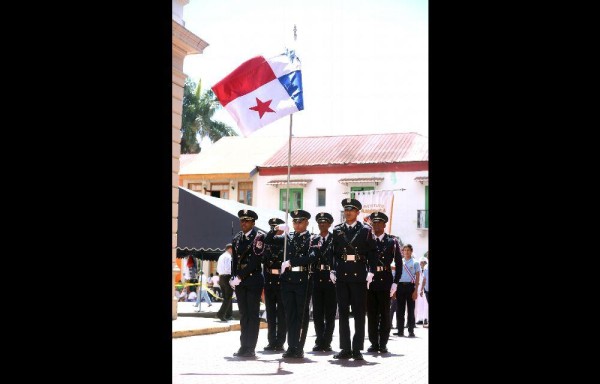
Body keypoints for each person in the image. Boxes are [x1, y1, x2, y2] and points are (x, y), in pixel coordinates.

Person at [265, 209, 316, 358]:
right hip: (287, 281)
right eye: (295, 221)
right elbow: (268, 240)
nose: (297, 224)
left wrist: (291, 261)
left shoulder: (312, 238)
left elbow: (312, 257)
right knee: (290, 315)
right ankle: (290, 346)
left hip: (302, 279)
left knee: (301, 315)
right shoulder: (288, 237)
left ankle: (298, 347)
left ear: (306, 222)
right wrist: (277, 229)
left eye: (300, 221)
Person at [331, 198, 377, 360]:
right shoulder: (337, 230)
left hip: (358, 274)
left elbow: (373, 252)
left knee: (359, 313)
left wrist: (371, 271)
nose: (348, 212)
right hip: (342, 274)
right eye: (346, 210)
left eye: (351, 210)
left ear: (358, 213)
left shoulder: (365, 230)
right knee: (343, 313)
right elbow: (333, 253)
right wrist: (332, 269)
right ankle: (345, 348)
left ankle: (357, 349)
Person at [230, 209, 266, 358]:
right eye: (242, 220)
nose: (243, 223)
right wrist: (233, 277)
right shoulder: (237, 238)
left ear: (253, 222)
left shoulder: (259, 238)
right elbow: (235, 261)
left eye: (247, 220)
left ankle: (251, 347)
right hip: (240, 282)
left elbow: (255, 261)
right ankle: (243, 345)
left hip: (253, 280)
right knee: (243, 315)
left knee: (252, 314)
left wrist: (240, 276)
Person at [366, 212, 402, 354]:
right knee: (372, 314)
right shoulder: (368, 240)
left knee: (385, 313)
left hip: (386, 280)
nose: (375, 225)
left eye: (378, 222)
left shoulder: (391, 241)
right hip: (371, 281)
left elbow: (398, 263)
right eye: (373, 223)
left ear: (384, 225)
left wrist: (396, 282)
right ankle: (374, 343)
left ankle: (383, 343)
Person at [309, 211, 337, 352]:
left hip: (330, 278)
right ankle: (319, 340)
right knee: (317, 312)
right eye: (320, 222)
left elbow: (337, 257)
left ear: (330, 224)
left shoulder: (335, 239)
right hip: (317, 277)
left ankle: (327, 341)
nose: (322, 224)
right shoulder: (314, 240)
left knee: (330, 312)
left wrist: (335, 270)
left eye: (324, 222)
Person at [261, 217, 287, 352]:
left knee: (282, 314)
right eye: (273, 228)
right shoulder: (267, 242)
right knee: (270, 313)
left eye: (277, 227)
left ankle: (280, 341)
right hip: (270, 280)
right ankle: (271, 341)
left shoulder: (285, 241)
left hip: (281, 280)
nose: (275, 230)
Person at [391, 244, 421, 337]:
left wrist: (416, 290)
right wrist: (394, 291)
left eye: (408, 250)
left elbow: (417, 277)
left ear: (411, 251)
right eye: (404, 250)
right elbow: (395, 276)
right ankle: (400, 330)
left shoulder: (415, 263)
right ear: (402, 252)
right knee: (400, 310)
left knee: (411, 310)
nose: (406, 252)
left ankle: (411, 330)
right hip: (400, 287)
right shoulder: (399, 262)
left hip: (410, 287)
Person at [216, 244, 233, 321]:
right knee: (228, 297)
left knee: (226, 297)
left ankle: (229, 314)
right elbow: (229, 268)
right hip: (227, 277)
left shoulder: (221, 256)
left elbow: (217, 269)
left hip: (221, 277)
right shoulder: (228, 257)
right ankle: (221, 314)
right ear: (230, 249)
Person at [415, 258, 428, 326]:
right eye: (421, 262)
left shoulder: (426, 270)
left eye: (424, 262)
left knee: (426, 305)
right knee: (419, 305)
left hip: (426, 289)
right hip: (419, 290)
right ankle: (420, 319)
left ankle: (425, 318)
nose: (422, 264)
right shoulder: (418, 270)